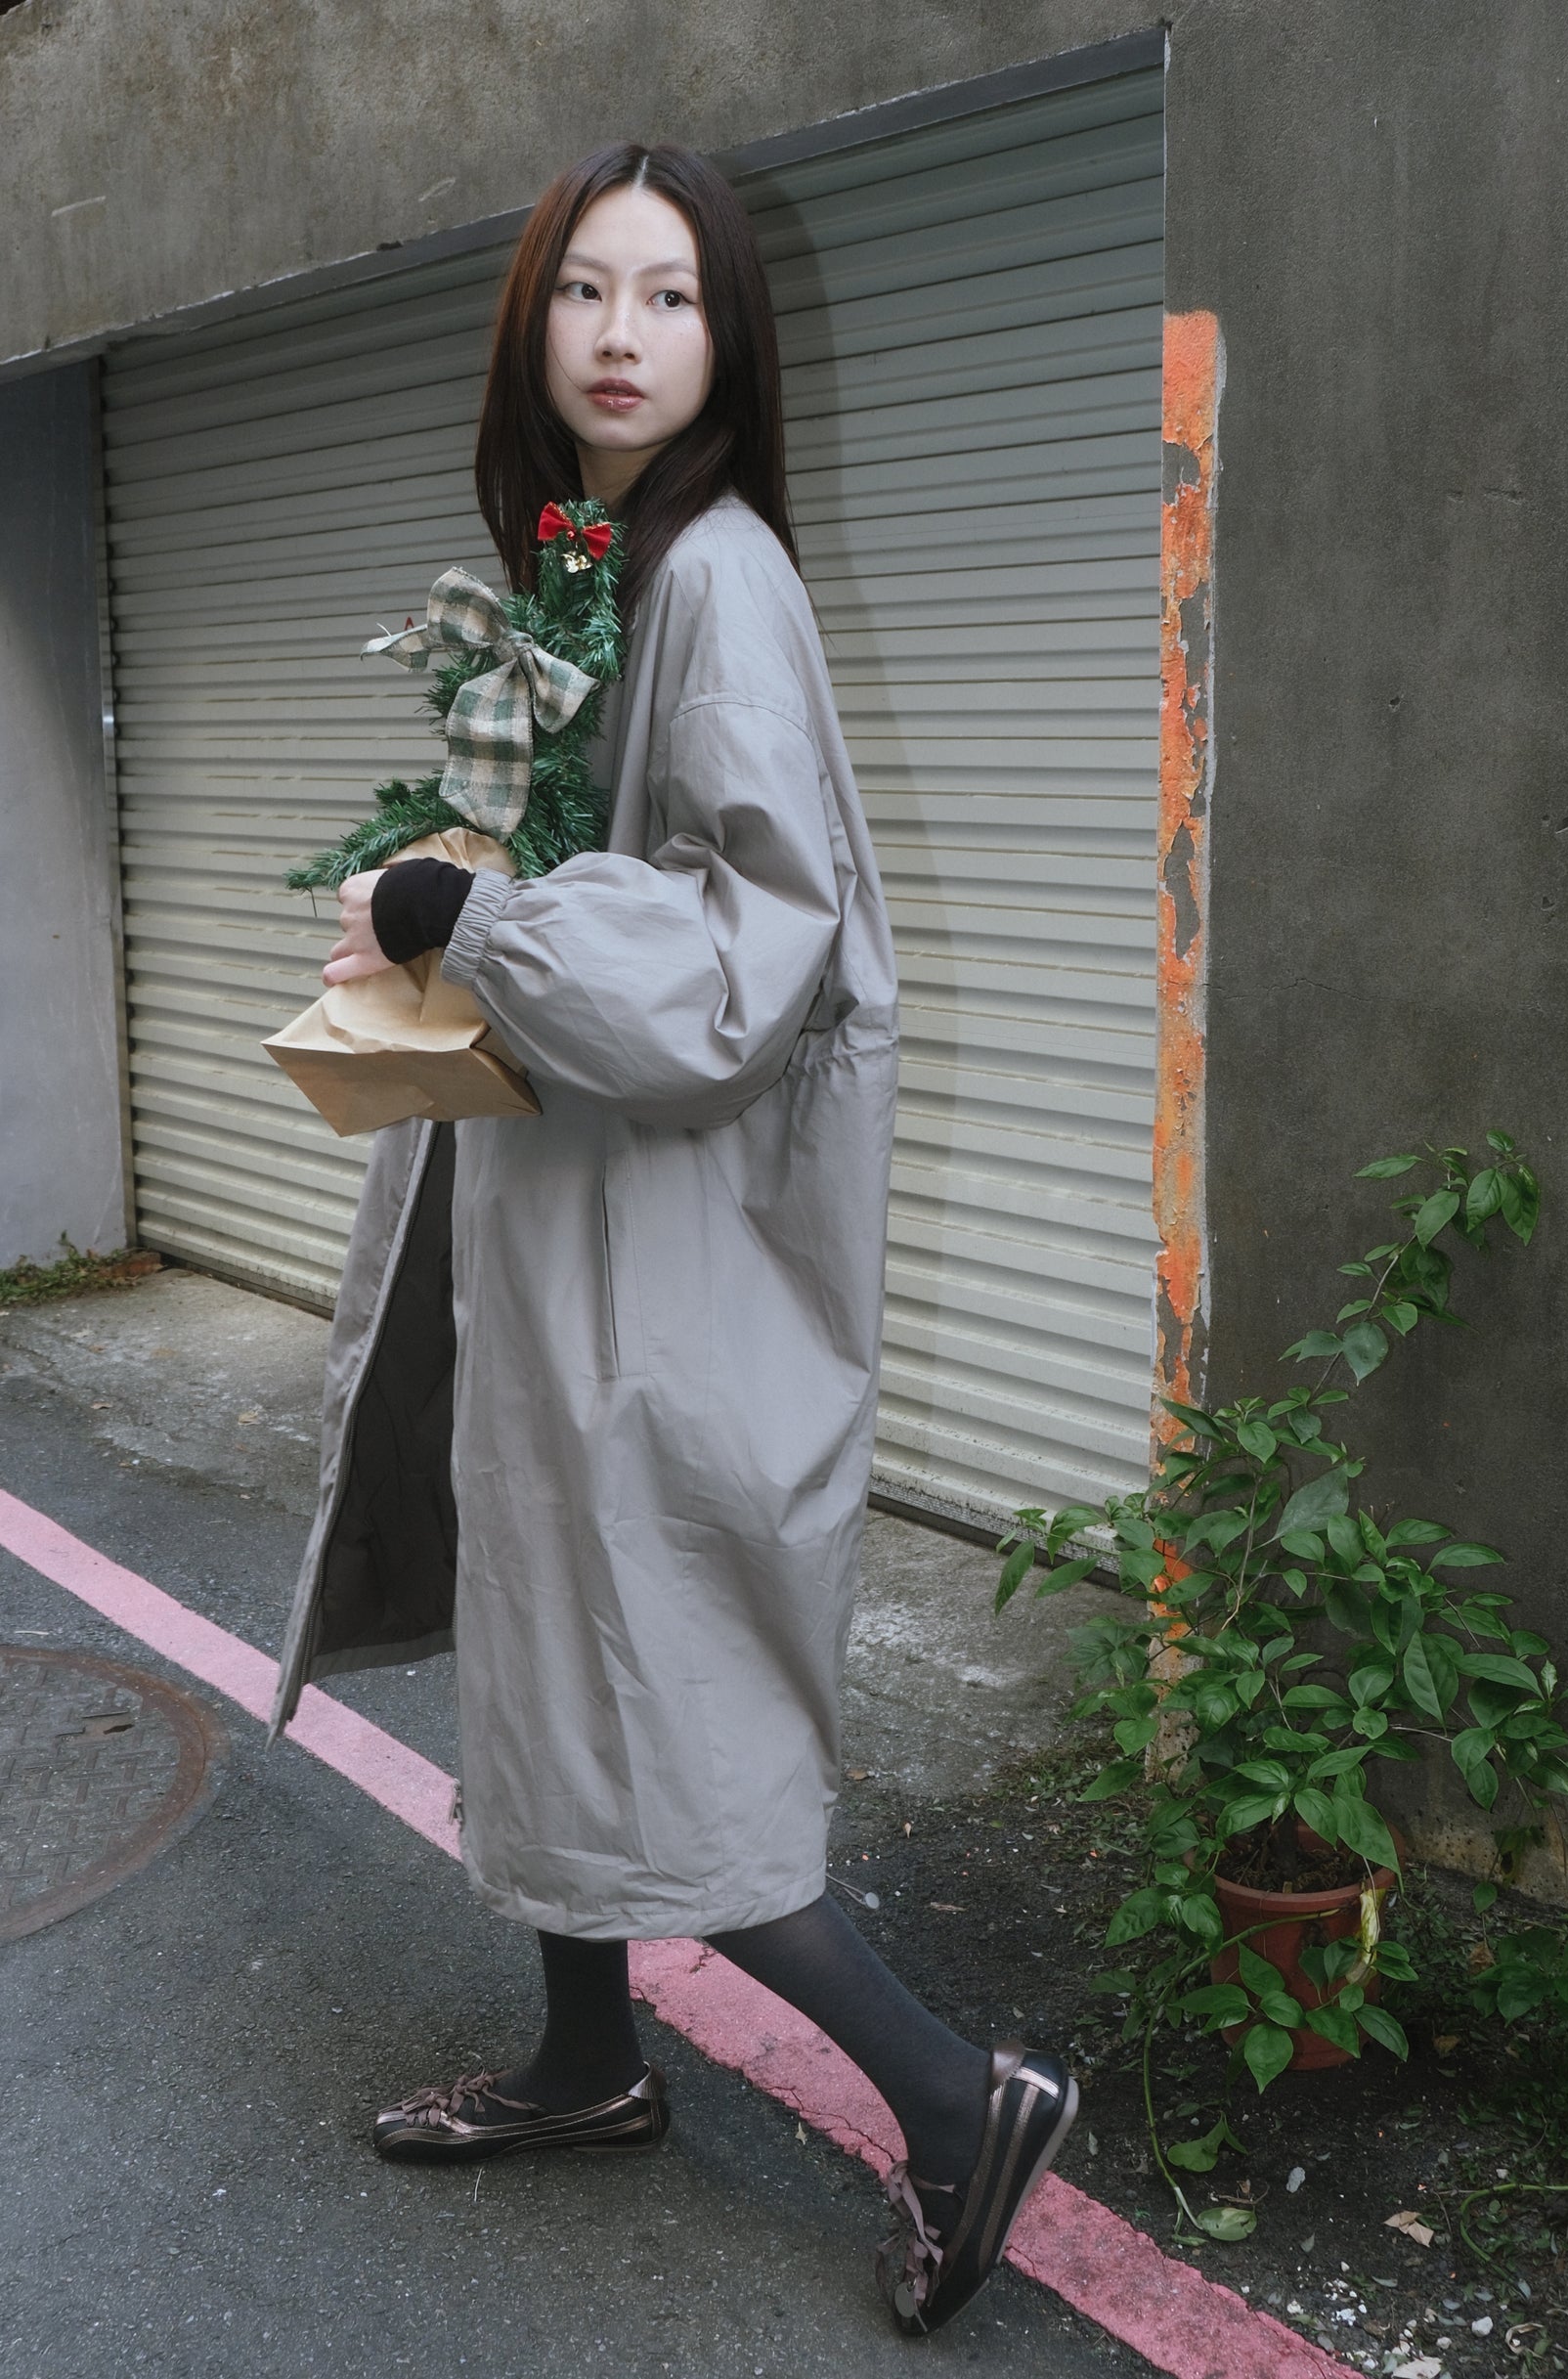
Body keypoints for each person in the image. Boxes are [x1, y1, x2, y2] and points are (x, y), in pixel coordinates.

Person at [268, 141, 1075, 2337]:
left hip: (663, 1231)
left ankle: (955, 2094)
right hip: (573, 1196)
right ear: (530, 322)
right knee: (558, 1634)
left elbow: (747, 948)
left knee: (658, 1687)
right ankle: (587, 2057)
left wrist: (464, 919)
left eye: (672, 296)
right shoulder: (592, 552)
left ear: (732, 337)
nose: (621, 335)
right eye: (584, 291)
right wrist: (439, 895)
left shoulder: (716, 572)